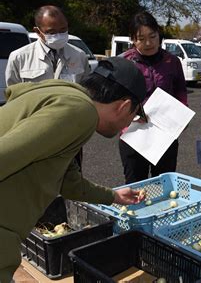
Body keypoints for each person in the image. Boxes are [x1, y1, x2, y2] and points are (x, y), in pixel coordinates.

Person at [0, 57, 148, 282]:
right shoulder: (80, 112)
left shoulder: (65, 98)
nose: (126, 125)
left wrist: (113, 196)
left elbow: (69, 183)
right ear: (124, 106)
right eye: (133, 116)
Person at [119, 11, 187, 184]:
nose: (148, 43)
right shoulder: (124, 63)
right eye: (141, 38)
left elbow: (180, 92)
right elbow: (113, 98)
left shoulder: (172, 61)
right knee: (135, 185)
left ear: (159, 35)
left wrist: (181, 117)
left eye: (152, 36)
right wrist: (132, 114)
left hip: (165, 133)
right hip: (133, 133)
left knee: (164, 184)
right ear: (133, 40)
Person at [5, 5, 90, 85]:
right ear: (38, 31)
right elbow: (13, 94)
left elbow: (86, 91)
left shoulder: (79, 56)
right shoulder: (19, 57)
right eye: (51, 32)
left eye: (63, 30)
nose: (58, 35)